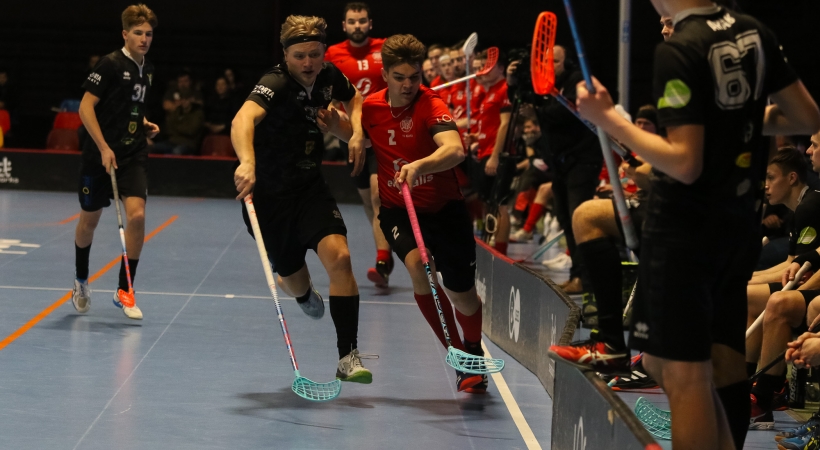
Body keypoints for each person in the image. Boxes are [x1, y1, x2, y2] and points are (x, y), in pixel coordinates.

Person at [574, 1, 820, 449]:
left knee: (680, 374)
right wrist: (737, 119)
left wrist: (607, 118)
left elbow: (685, 163)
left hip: (685, 231)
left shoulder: (680, 49)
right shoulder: (753, 30)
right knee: (715, 365)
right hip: (736, 227)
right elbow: (806, 117)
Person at [231, 14, 372, 384]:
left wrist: (355, 132)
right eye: (299, 56)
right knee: (294, 281)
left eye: (314, 54)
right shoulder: (275, 83)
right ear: (285, 55)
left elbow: (354, 98)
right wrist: (247, 162)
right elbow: (242, 120)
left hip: (310, 189)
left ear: (324, 52)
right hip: (269, 199)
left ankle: (348, 356)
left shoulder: (329, 76)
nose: (308, 63)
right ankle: (303, 293)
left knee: (341, 258)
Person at [353, 33, 489, 393]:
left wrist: (420, 165)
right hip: (399, 209)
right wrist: (346, 130)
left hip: (445, 209)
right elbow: (352, 123)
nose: (408, 84)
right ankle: (460, 358)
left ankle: (473, 346)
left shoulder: (431, 104)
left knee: (463, 296)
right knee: (419, 264)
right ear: (385, 75)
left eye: (414, 76)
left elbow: (454, 150)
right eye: (399, 77)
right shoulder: (372, 107)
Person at [71, 3, 161, 321]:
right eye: (138, 33)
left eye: (148, 34)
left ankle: (125, 290)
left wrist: (143, 122)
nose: (144, 39)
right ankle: (81, 281)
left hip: (132, 153)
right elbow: (85, 108)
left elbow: (129, 105)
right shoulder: (109, 64)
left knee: (137, 216)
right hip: (99, 155)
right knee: (89, 221)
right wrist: (103, 147)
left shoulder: (148, 69)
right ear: (125, 34)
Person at [508, 44, 601, 294]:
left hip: (582, 160)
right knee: (564, 217)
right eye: (546, 63)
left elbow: (566, 112)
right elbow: (522, 102)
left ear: (566, 63)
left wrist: (538, 110)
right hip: (559, 162)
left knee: (578, 218)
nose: (550, 67)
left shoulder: (576, 80)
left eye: (556, 62)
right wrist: (512, 83)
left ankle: (587, 280)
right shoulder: (544, 84)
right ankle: (577, 275)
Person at [746, 144, 820, 429]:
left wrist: (797, 290)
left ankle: (760, 393)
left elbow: (805, 272)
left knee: (766, 300)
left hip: (811, 287)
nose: (765, 185)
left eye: (771, 177)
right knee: (750, 293)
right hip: (807, 283)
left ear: (791, 178)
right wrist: (751, 277)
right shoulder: (801, 208)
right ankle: (749, 388)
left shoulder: (810, 206)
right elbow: (793, 263)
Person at [324, 2, 394, 289]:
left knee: (377, 194)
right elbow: (328, 93)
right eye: (352, 21)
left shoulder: (385, 48)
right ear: (344, 25)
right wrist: (330, 112)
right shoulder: (332, 54)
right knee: (367, 199)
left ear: (370, 23)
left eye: (362, 21)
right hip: (350, 134)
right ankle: (385, 255)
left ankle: (383, 259)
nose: (357, 26)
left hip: (382, 132)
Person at [466, 49, 512, 255]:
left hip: (497, 155)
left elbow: (505, 125)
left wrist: (495, 156)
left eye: (488, 66)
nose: (483, 70)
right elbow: (491, 126)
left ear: (501, 68)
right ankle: (490, 248)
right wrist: (477, 138)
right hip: (484, 152)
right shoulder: (490, 91)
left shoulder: (504, 89)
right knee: (487, 203)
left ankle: (501, 253)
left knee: (499, 205)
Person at [152, 90, 205, 155]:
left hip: (188, 143)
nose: (184, 101)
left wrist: (177, 127)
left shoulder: (197, 113)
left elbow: (191, 131)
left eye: (186, 99)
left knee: (177, 151)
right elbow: (169, 127)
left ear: (191, 100)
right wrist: (182, 126)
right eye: (182, 99)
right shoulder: (177, 111)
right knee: (155, 147)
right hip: (173, 141)